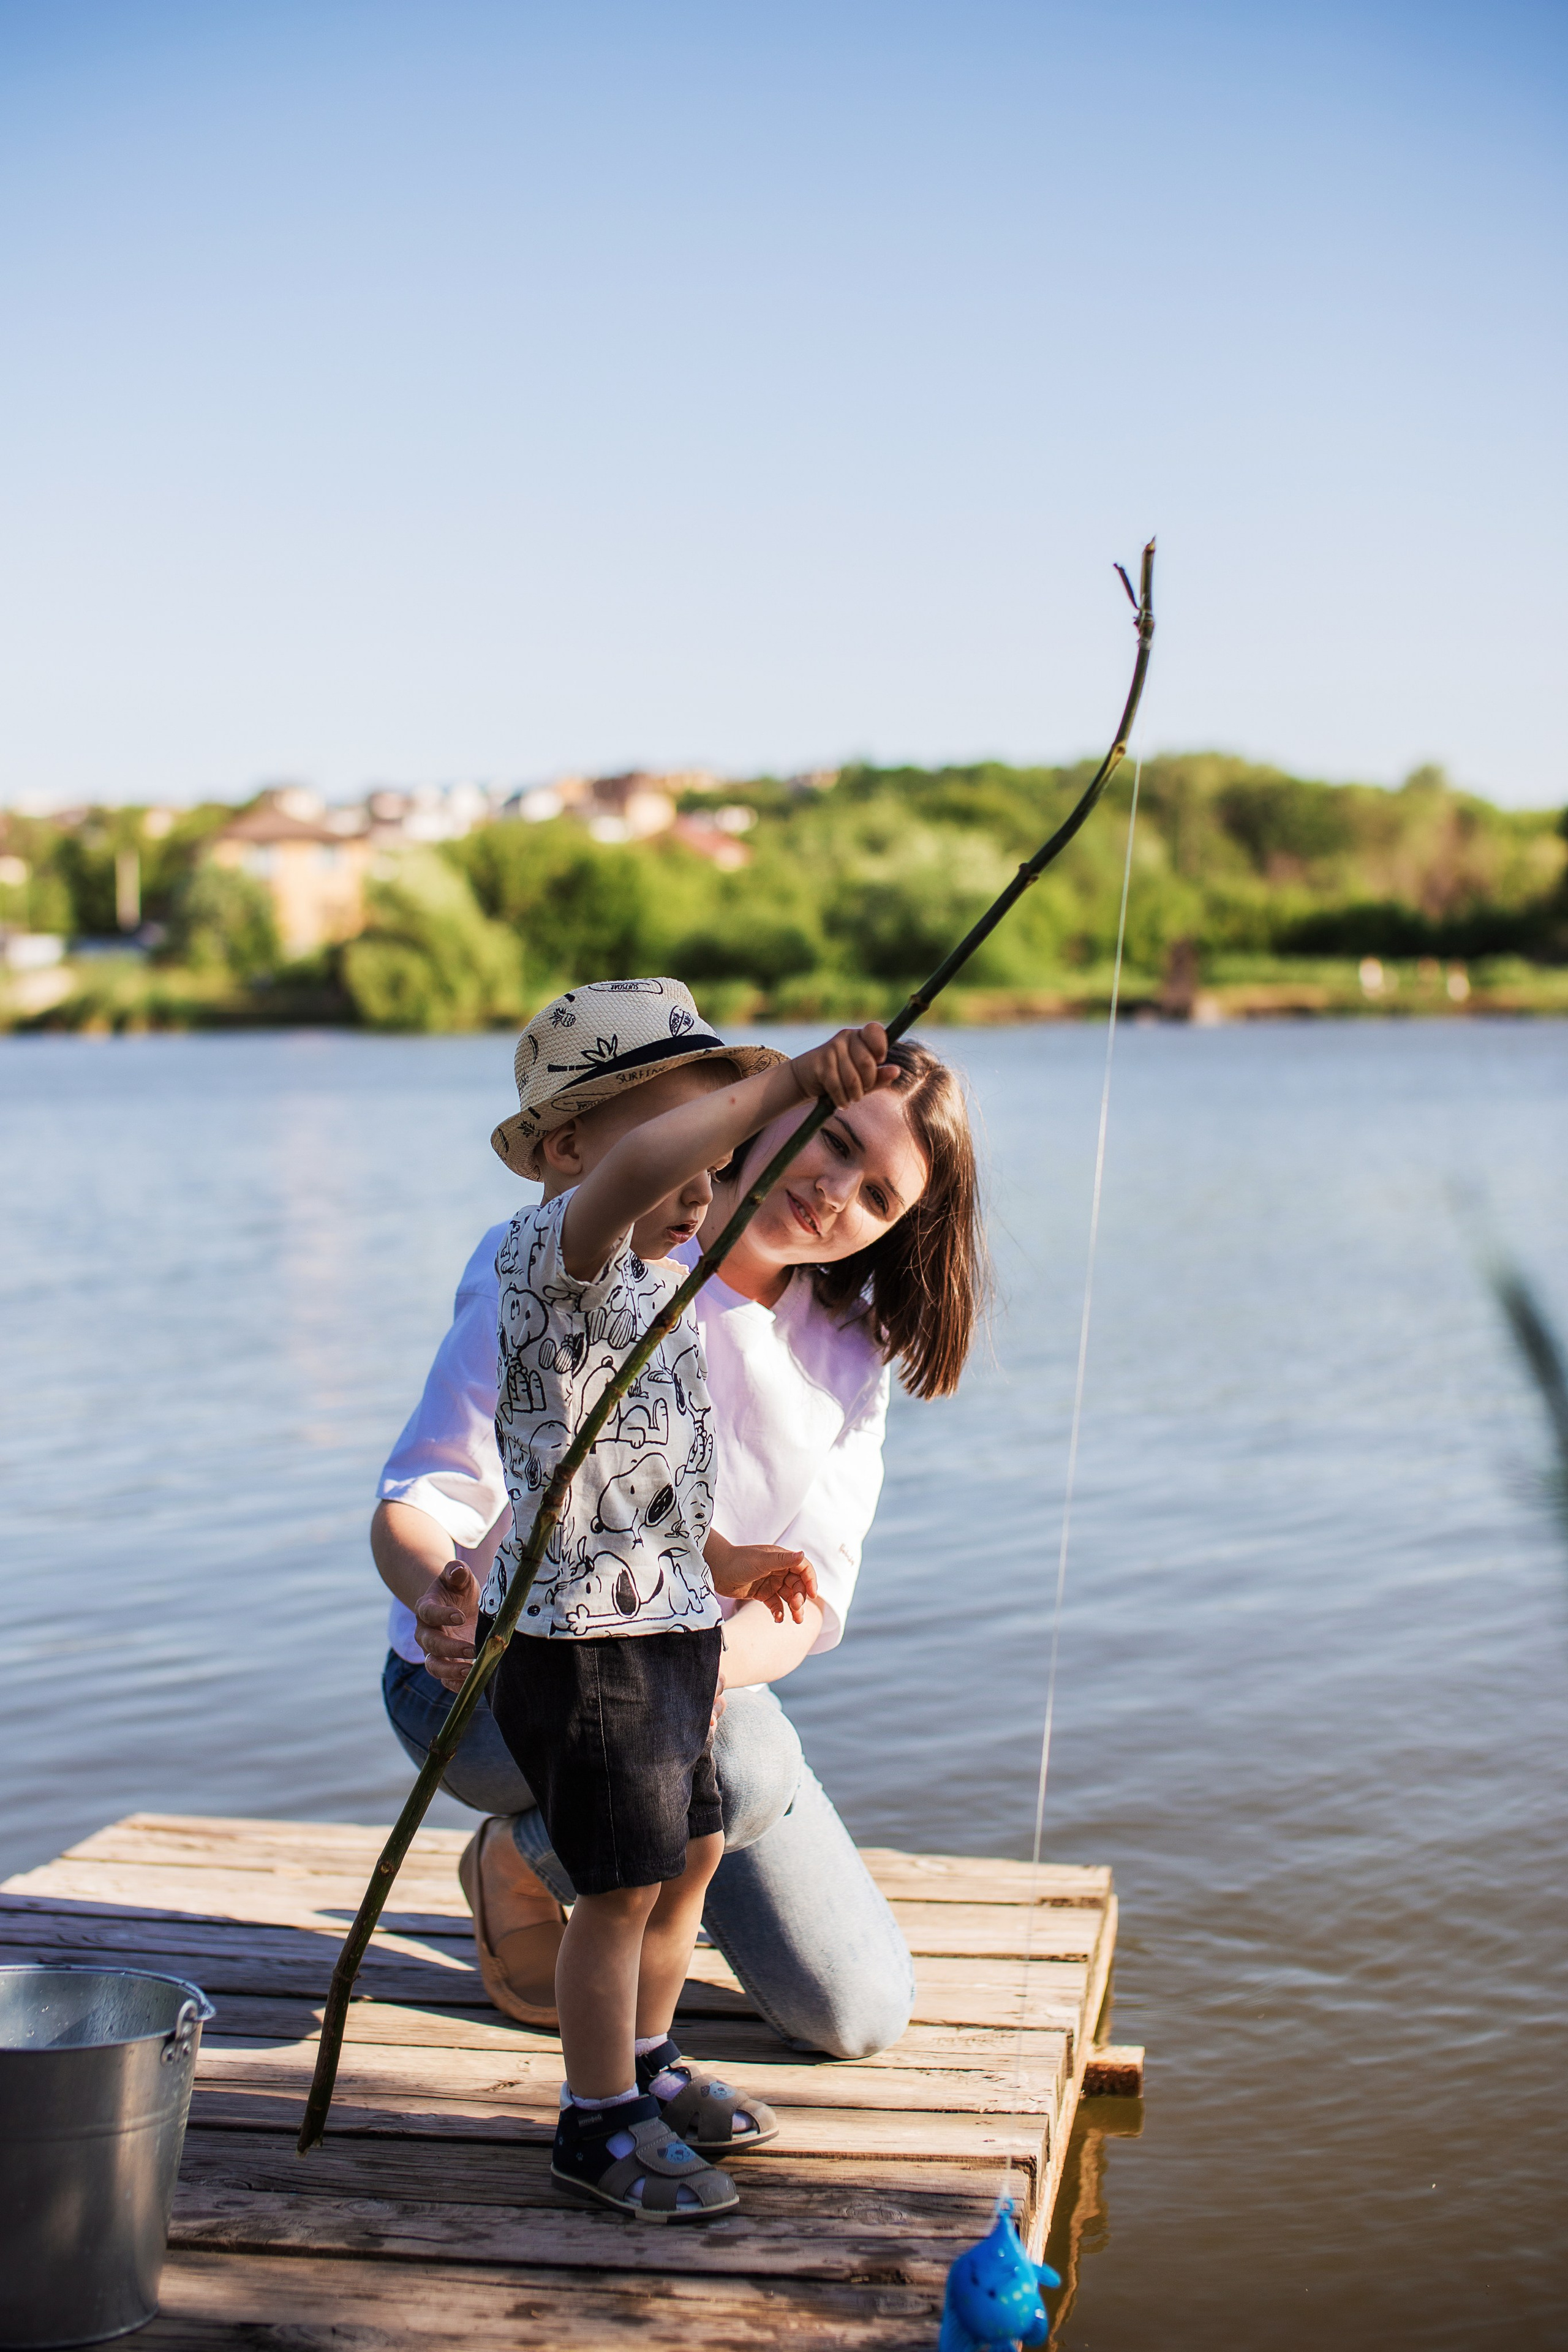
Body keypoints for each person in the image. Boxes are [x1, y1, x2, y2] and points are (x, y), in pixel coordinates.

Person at [373, 992, 984, 2075]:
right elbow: (424, 1498)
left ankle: (542, 1875)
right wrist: (439, 1596)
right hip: (496, 1680)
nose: (835, 1191)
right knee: (741, 1763)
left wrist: (708, 1643)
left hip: (685, 1677)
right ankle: (600, 2069)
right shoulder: (583, 1258)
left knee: (857, 2011)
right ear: (765, 1113)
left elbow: (803, 1598)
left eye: (878, 1196)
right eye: (836, 1139)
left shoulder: (853, 1351)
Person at [472, 983, 899, 2218]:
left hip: (668, 1626)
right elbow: (639, 1171)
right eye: (688, 1143)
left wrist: (725, 1557)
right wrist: (786, 1085)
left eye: (719, 1159)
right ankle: (594, 2116)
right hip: (583, 1644)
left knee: (689, 1856)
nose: (705, 1179)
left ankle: (647, 2064)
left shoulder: (656, 1289)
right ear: (568, 1150)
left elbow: (632, 1475)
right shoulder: (558, 1257)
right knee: (615, 1890)